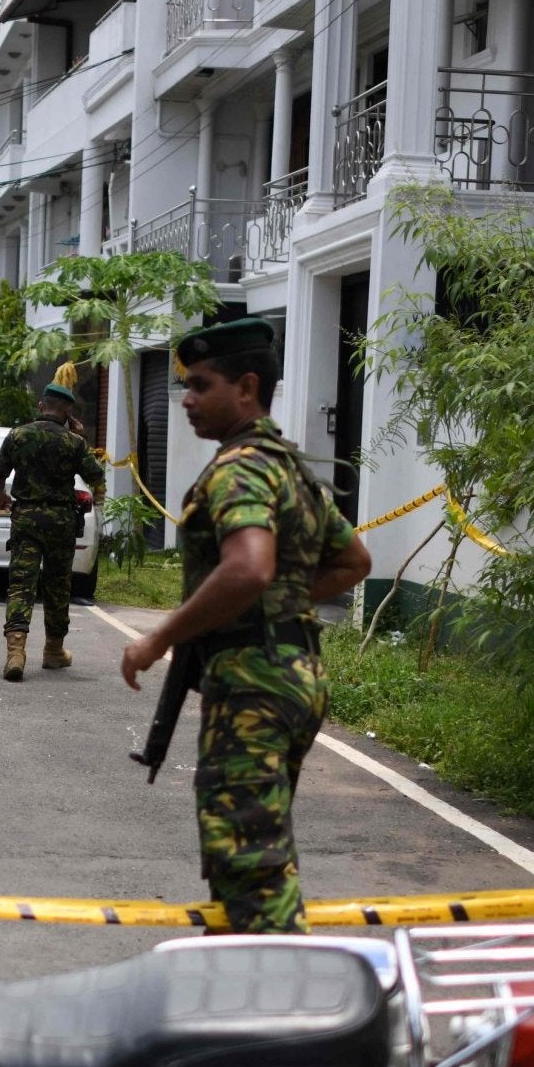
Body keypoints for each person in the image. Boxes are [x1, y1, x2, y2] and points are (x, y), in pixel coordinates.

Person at [117, 319, 372, 934]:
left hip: (254, 684)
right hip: (295, 675)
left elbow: (249, 568)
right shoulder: (289, 467)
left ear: (247, 388)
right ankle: (238, 983)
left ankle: (282, 1009)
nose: (185, 399)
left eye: (201, 385)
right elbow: (352, 561)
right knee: (252, 846)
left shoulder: (241, 469)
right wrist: (278, 602)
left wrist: (160, 637)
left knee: (250, 864)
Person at [0, 370, 105, 681]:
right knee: (57, 587)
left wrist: (2, 498)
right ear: (68, 411)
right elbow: (96, 477)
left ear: (42, 406)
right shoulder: (74, 442)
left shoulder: (18, 436)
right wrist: (97, 498)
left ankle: (16, 653)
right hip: (60, 523)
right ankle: (54, 651)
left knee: (21, 585)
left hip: (26, 519)